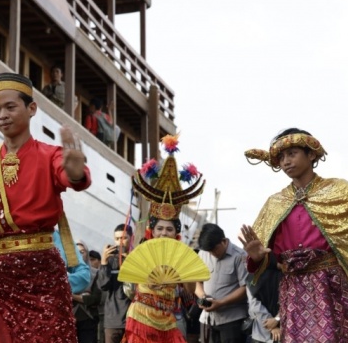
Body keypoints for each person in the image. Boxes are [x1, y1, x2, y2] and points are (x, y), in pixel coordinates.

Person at [0, 72, 91, 342]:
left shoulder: (50, 155)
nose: (2, 115)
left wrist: (76, 173)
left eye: (10, 107)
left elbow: (70, 176)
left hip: (44, 275)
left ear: (31, 108)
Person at [240, 128, 348, 342]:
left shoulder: (340, 191)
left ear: (311, 154)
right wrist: (256, 256)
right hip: (293, 287)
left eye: (292, 153)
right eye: (281, 157)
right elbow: (262, 258)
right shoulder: (275, 203)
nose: (285, 162)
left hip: (329, 284)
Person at [124, 136, 205, 343]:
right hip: (141, 314)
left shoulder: (181, 256)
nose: (163, 233)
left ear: (175, 232)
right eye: (159, 228)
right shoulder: (142, 250)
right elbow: (129, 285)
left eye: (169, 229)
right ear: (152, 229)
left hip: (168, 317)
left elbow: (188, 291)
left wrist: (185, 274)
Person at [195, 223, 248, 343]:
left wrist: (221, 303)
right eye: (209, 251)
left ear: (223, 241)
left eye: (214, 250)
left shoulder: (240, 256)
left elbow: (245, 288)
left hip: (232, 320)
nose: (212, 254)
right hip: (207, 319)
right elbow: (197, 283)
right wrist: (203, 297)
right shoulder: (203, 253)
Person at [97, 224, 132, 343]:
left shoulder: (137, 259)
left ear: (131, 238)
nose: (120, 242)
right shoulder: (110, 260)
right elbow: (103, 285)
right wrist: (103, 262)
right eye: (117, 239)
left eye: (124, 238)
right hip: (113, 319)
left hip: (134, 318)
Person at [72, 239, 99, 343]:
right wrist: (83, 296)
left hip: (88, 319)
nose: (79, 255)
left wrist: (72, 295)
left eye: (82, 252)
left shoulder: (95, 273)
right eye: (76, 251)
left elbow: (94, 299)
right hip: (69, 319)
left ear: (87, 253)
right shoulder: (65, 274)